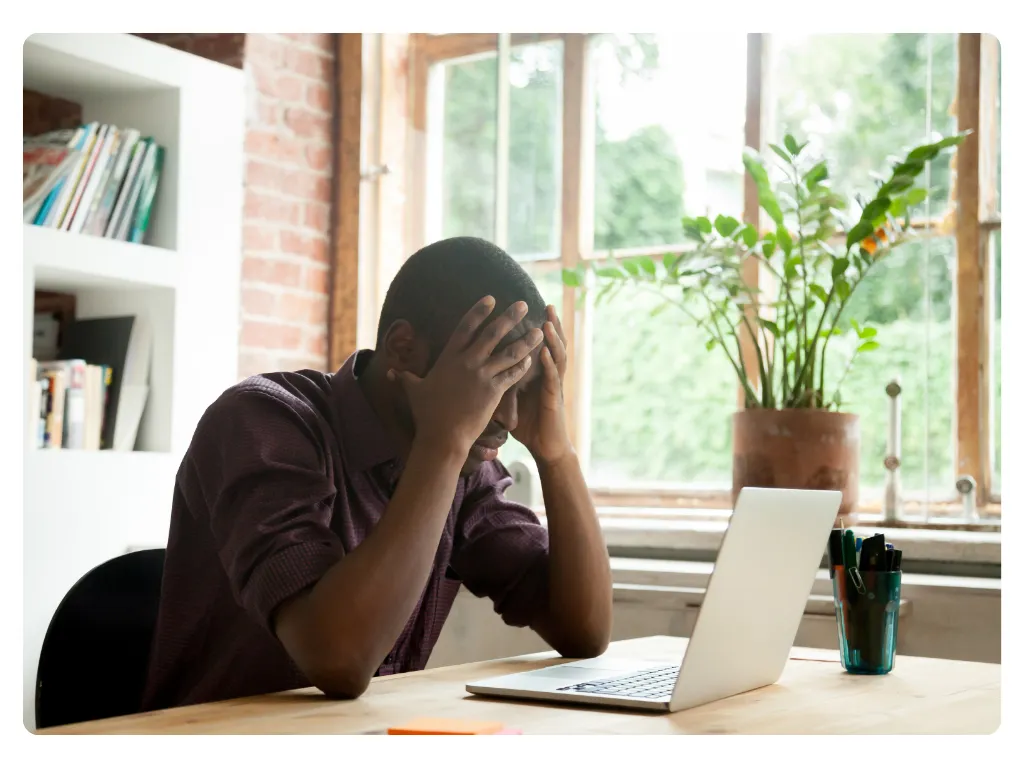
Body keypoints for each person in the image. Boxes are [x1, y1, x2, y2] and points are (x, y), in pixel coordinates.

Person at [141, 236, 613, 711]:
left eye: (520, 385)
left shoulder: (465, 467)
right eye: (489, 377)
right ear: (402, 349)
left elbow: (583, 632)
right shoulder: (262, 421)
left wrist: (557, 454)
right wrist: (442, 446)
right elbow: (337, 660)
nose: (509, 416)